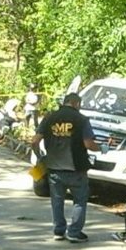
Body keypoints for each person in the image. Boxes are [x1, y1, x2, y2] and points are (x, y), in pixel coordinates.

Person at [31, 92, 101, 242]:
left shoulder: (50, 117)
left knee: (57, 200)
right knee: (80, 200)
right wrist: (101, 148)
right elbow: (88, 144)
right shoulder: (81, 119)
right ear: (77, 104)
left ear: (65, 102)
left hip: (54, 168)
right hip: (76, 168)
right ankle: (74, 232)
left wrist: (40, 157)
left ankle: (59, 231)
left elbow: (35, 141)